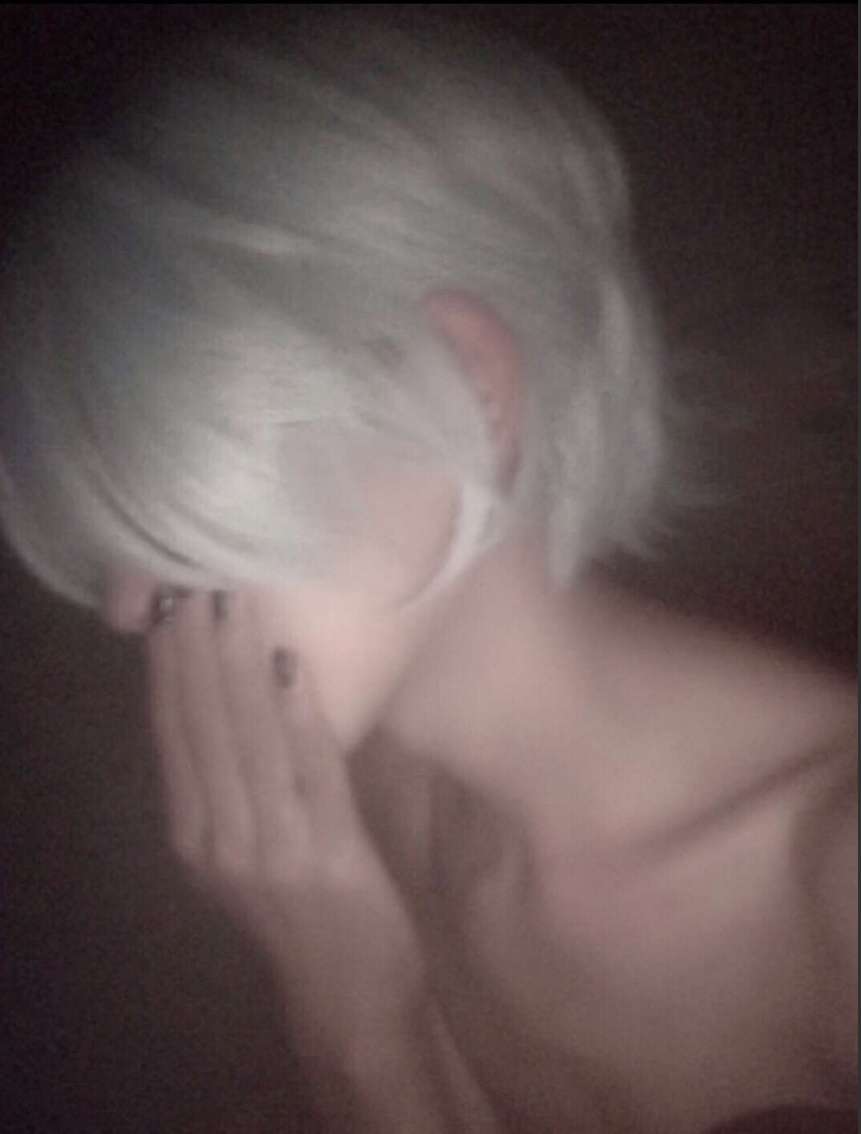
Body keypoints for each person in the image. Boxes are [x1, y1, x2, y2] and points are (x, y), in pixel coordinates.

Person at [0, 13, 855, 1133]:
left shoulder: (832, 884)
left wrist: (358, 1032)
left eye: (182, 501)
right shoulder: (358, 820)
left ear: (467, 383)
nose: (124, 607)